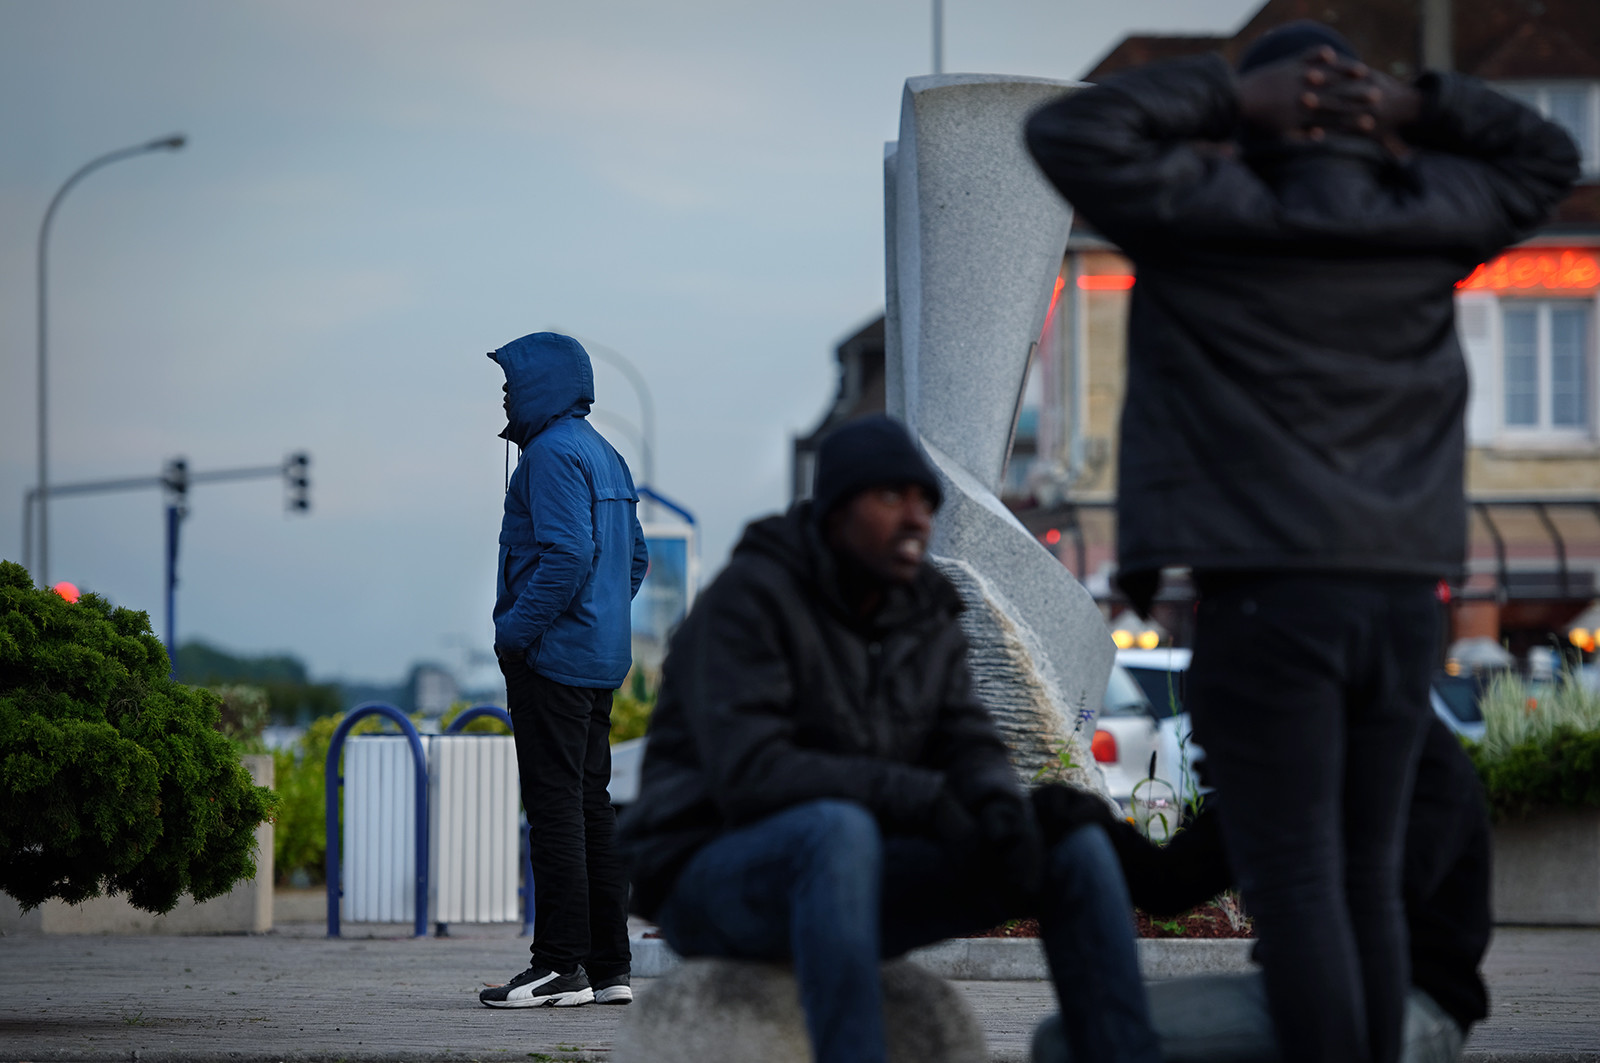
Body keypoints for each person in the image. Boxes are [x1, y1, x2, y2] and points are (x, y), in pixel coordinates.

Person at [1024, 22, 1576, 1063]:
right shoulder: (1422, 217)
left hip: (1269, 592)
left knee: (1300, 886)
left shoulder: (1210, 208)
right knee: (1361, 880)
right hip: (1402, 594)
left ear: (1264, 114)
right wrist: (1412, 106)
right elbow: (1544, 155)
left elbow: (1069, 130)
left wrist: (1230, 100)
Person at [617, 414, 1160, 1063]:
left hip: (851, 871)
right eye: (891, 497)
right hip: (714, 876)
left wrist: (1000, 812)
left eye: (925, 501)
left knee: (1069, 840)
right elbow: (755, 775)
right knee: (833, 827)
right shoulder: (751, 599)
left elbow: (969, 744)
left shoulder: (925, 610)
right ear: (838, 510)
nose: (915, 517)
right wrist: (929, 800)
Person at [1030, 713, 1492, 1063]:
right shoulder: (1276, 753)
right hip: (1293, 987)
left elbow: (1382, 897)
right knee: (1062, 1040)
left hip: (1415, 999)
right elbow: (1170, 883)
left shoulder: (1416, 753)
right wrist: (1078, 814)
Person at [479, 331, 649, 1009]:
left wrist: (515, 633)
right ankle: (609, 967)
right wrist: (600, 617)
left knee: (554, 813)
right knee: (589, 809)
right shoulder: (606, 453)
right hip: (599, 659)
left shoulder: (547, 455)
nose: (503, 394)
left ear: (541, 384)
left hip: (551, 658)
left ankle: (556, 966)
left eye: (510, 382)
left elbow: (567, 555)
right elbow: (631, 559)